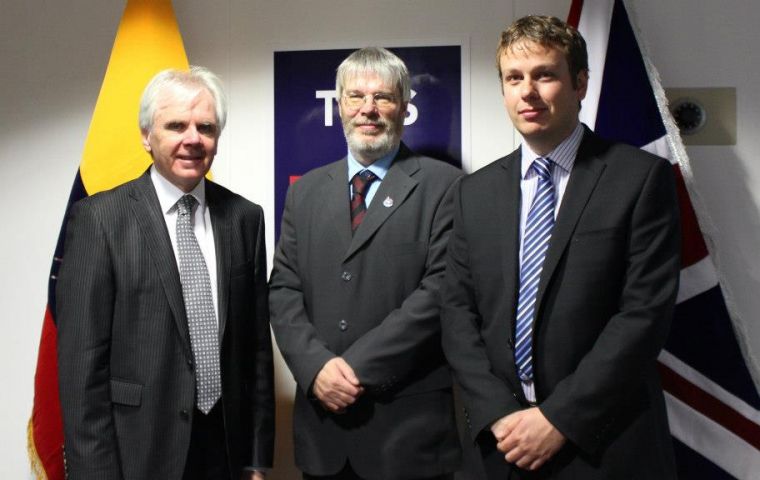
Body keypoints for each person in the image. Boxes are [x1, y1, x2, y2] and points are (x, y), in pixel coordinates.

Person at [441, 15, 679, 479]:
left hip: (603, 444)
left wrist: (558, 419)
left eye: (544, 74)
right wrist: (499, 413)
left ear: (581, 83)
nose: (527, 92)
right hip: (500, 446)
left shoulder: (639, 178)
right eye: (514, 78)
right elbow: (457, 313)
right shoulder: (475, 192)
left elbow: (642, 316)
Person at [56, 66, 274, 479]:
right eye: (176, 125)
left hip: (224, 452)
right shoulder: (99, 220)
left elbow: (256, 351)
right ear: (146, 136)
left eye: (205, 127)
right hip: (137, 452)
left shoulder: (246, 218)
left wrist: (257, 460)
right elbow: (81, 372)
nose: (193, 139)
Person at [269, 47, 462, 480]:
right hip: (323, 433)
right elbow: (283, 289)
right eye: (356, 97)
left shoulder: (446, 185)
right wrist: (315, 368)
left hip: (407, 434)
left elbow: (439, 293)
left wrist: (354, 370)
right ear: (339, 106)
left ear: (405, 107)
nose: (368, 110)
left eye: (383, 98)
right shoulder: (306, 191)